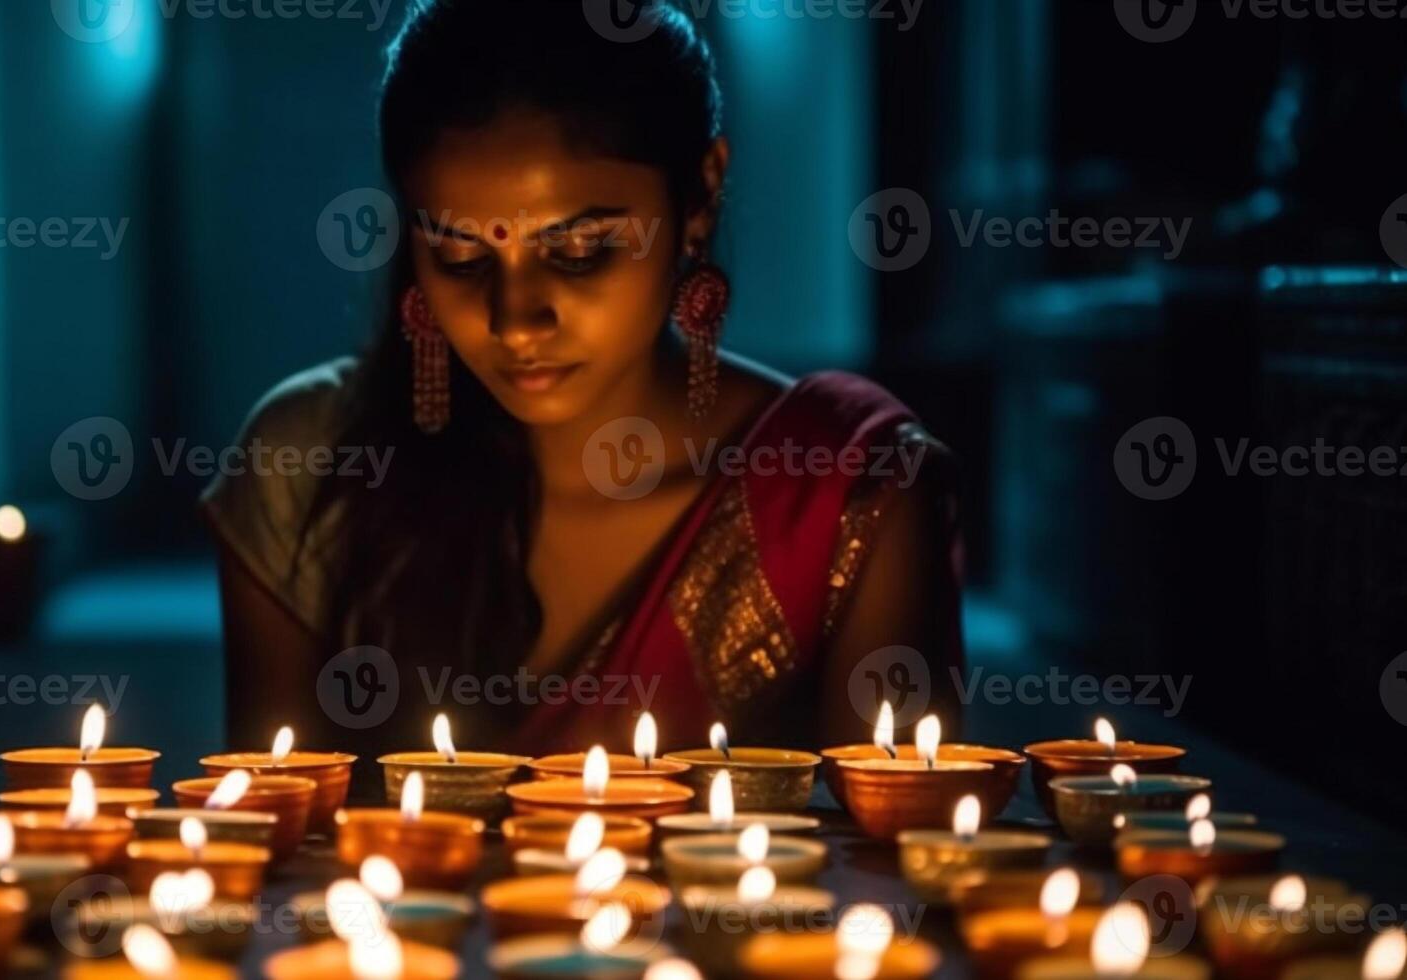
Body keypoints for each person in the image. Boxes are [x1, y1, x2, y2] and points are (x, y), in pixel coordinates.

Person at [203, 0, 964, 758]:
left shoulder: (847, 491)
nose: (514, 321)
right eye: (461, 258)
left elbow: (899, 858)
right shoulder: (309, 463)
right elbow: (265, 839)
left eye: (579, 251)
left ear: (700, 195)